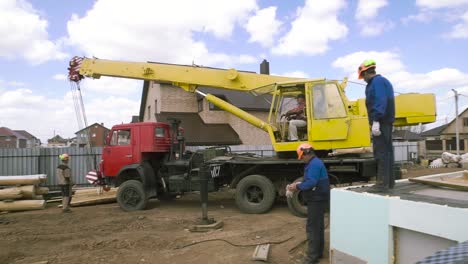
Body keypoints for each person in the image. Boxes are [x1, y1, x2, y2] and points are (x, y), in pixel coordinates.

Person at [287, 143, 330, 264]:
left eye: (302, 156)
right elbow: (311, 180)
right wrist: (298, 185)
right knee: (318, 227)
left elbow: (311, 182)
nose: (301, 159)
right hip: (318, 199)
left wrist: (297, 186)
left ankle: (311, 257)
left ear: (306, 153)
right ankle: (318, 253)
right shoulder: (314, 163)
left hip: (316, 200)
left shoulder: (314, 164)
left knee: (313, 228)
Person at [358, 59, 395, 192]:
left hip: (381, 121)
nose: (363, 79)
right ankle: (388, 183)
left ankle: (381, 184)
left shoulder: (377, 82)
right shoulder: (382, 81)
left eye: (363, 76)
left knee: (381, 152)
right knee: (387, 151)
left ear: (367, 72)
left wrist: (376, 120)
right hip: (385, 122)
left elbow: (380, 100)